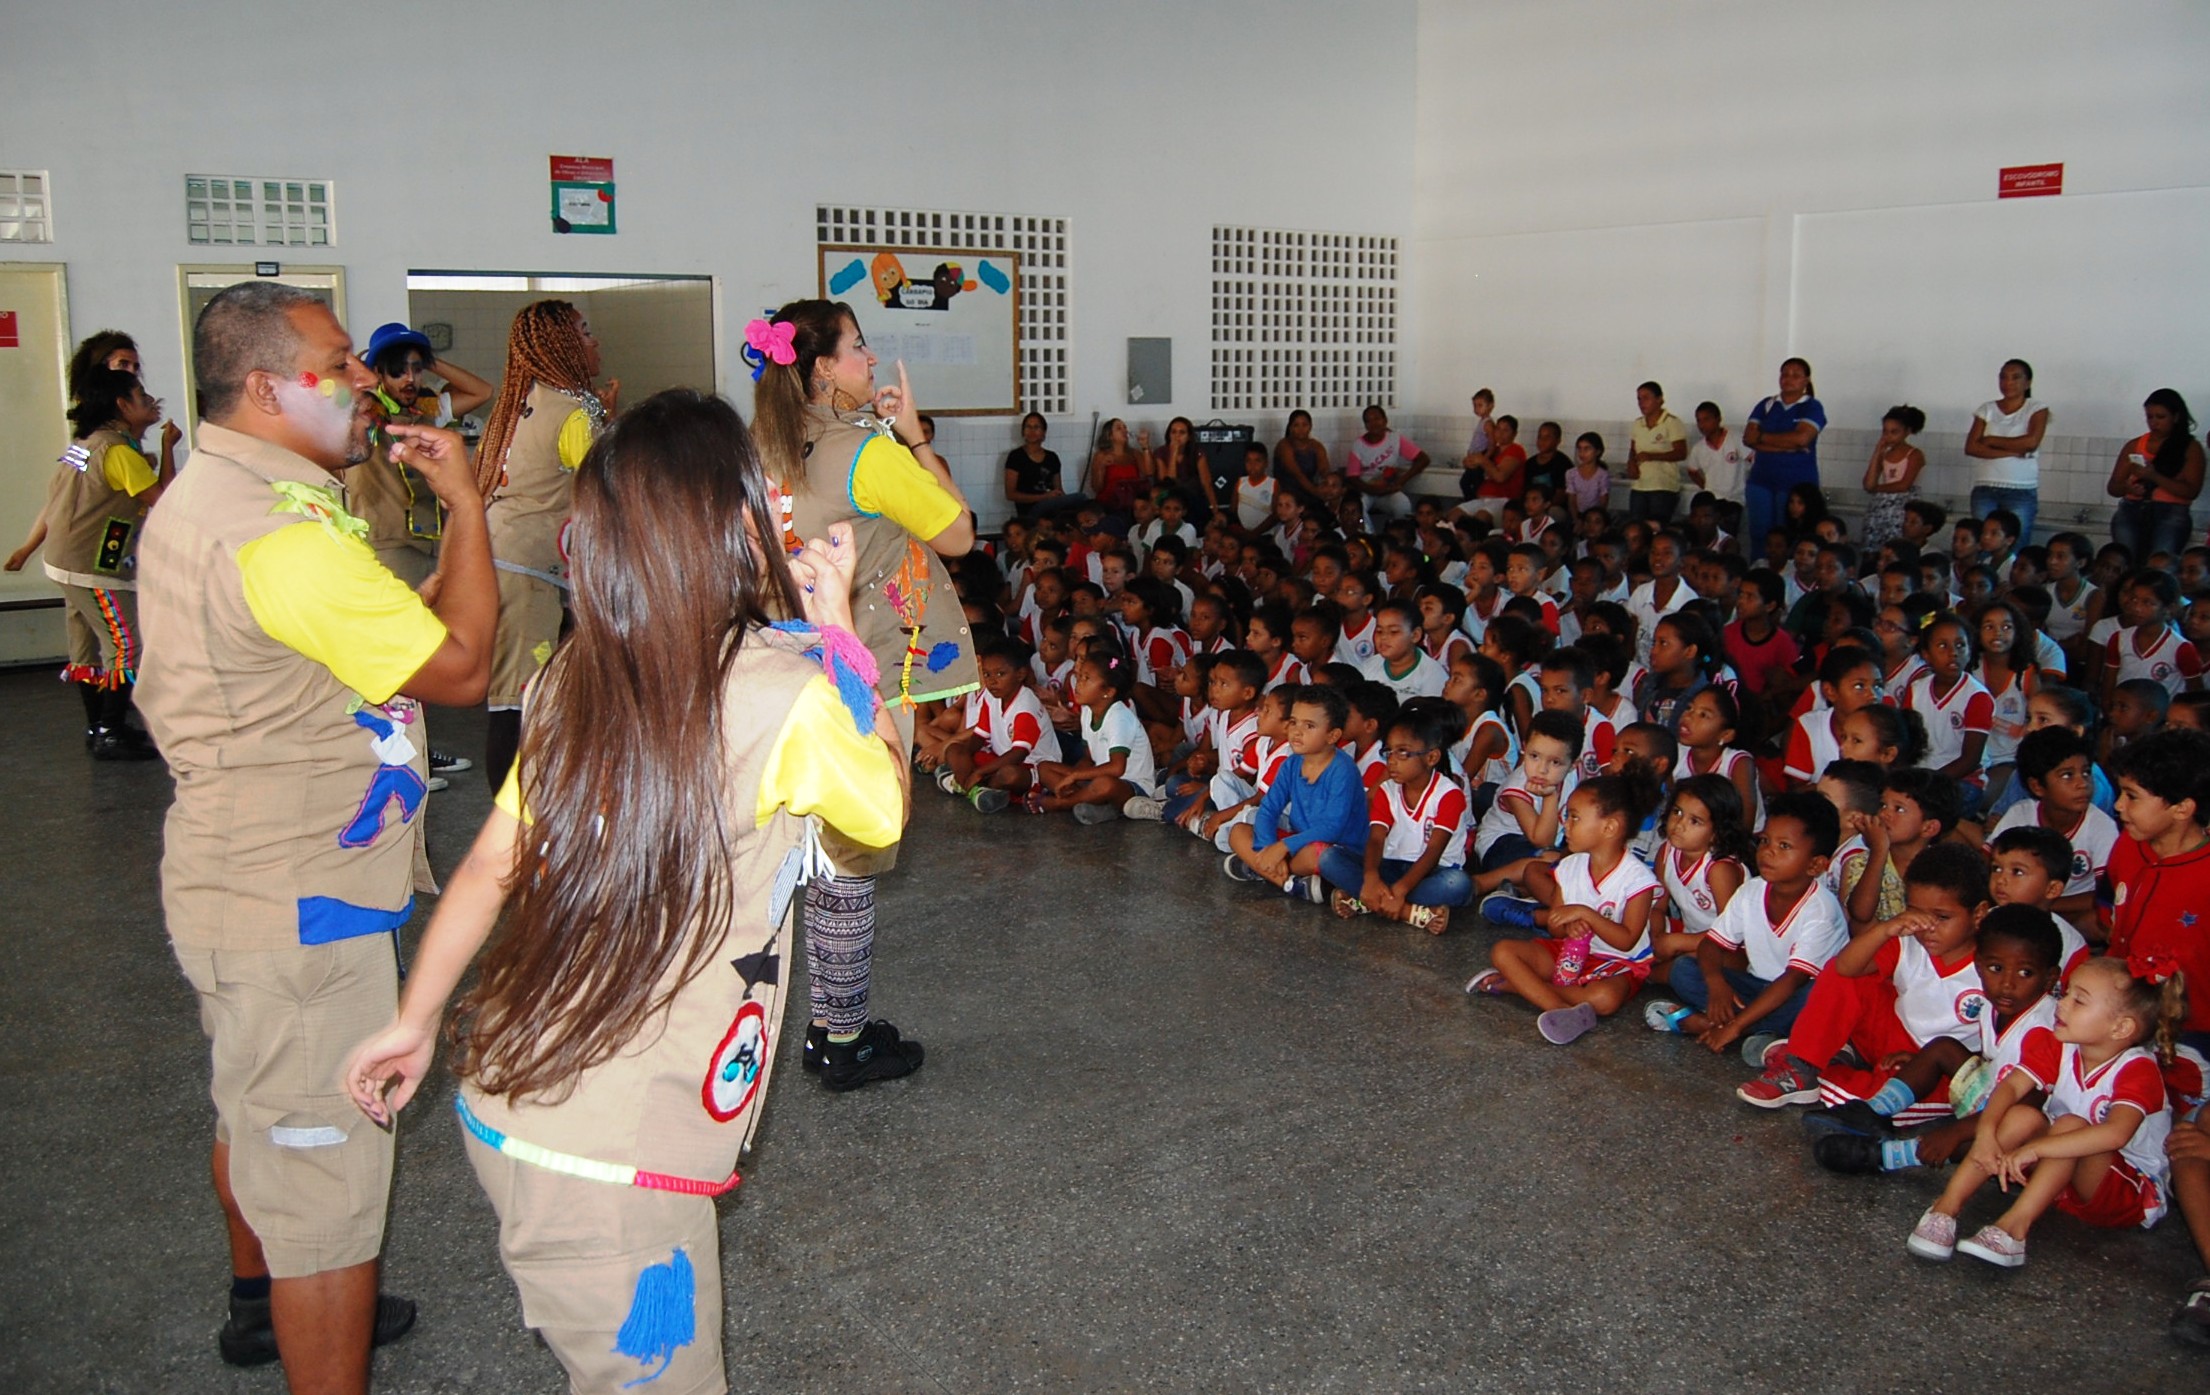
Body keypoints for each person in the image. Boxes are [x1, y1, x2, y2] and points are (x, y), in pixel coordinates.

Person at [341, 389, 905, 1393]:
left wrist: (414, 1019)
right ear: (734, 523)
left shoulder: (574, 673)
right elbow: (883, 813)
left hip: (515, 1093)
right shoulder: (787, 696)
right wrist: (841, 635)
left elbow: (487, 866)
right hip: (618, 1167)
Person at [135, 281, 498, 1389]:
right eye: (336, 363)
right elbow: (459, 669)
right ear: (264, 387)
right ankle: (303, 1294)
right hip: (294, 904)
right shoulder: (273, 534)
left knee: (259, 1105)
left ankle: (264, 1300)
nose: (362, 382)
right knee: (328, 1180)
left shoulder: (229, 498)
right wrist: (471, 510)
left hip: (243, 876)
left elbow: (377, 634)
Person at [753, 297, 977, 1088]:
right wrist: (914, 434)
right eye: (859, 347)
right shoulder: (867, 453)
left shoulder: (762, 448)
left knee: (801, 846)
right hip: (868, 663)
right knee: (852, 845)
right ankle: (841, 1038)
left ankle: (813, 1023)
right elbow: (959, 531)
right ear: (822, 367)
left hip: (783, 657)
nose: (871, 360)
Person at [1907, 954, 2185, 1267]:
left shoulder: (2138, 1070)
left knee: (2070, 1124)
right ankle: (1945, 1209)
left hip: (2127, 1192)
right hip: (2062, 1169)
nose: (2061, 1005)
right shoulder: (2060, 1042)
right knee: (2023, 1116)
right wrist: (1986, 1134)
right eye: (2066, 993)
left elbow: (2115, 1133)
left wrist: (2036, 1149)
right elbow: (2011, 1088)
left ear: (2121, 1028)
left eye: (2078, 1001)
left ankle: (2013, 1229)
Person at [476, 299, 614, 791]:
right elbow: (607, 488)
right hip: (528, 568)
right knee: (516, 699)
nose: (594, 340)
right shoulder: (572, 412)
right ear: (563, 344)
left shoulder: (516, 402)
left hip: (496, 557)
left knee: (517, 691)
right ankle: (513, 820)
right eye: (585, 331)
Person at [8, 365, 176, 758]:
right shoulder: (117, 452)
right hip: (91, 564)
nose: (150, 402)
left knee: (91, 646)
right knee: (125, 643)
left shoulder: (85, 444)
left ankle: (99, 725)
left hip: (66, 560)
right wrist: (169, 449)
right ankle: (110, 731)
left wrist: (28, 548)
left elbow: (56, 500)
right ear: (121, 404)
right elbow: (164, 502)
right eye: (141, 395)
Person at [1467, 772, 1664, 1045]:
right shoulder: (1570, 867)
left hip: (1618, 962)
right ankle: (1560, 1010)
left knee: (1604, 999)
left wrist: (1586, 915)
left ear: (1609, 828)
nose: (1565, 824)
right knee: (1503, 951)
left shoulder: (1637, 879)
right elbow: (1555, 926)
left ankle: (1517, 986)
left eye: (1574, 817)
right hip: (1571, 952)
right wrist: (1569, 926)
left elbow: (1628, 938)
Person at [1643, 791, 1846, 1052]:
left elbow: (1793, 980)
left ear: (1815, 865)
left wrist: (1735, 1025)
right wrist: (1716, 983)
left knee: (1816, 999)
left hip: (1794, 993)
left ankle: (1723, 1026)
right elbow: (1711, 945)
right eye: (1765, 841)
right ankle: (1761, 1033)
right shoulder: (1752, 891)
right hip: (1755, 988)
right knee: (1685, 969)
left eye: (1784, 846)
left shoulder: (1821, 911)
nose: (1768, 852)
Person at [353, 322, 495, 589]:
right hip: (389, 542)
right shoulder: (362, 411)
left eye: (416, 370)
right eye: (398, 371)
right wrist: (367, 363)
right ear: (378, 374)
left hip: (435, 543)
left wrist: (428, 359)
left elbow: (482, 391)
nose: (410, 379)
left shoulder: (427, 408)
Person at [1321, 702, 1474, 931]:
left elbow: (1433, 852)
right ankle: (1411, 913)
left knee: (1458, 884)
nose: (1392, 760)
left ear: (1431, 758)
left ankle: (1368, 902)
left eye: (1403, 752)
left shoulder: (1449, 795)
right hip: (1391, 864)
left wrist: (1400, 890)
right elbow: (1376, 839)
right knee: (1328, 858)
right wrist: (1372, 877)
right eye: (1388, 751)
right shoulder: (1387, 790)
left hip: (1433, 870)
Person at [1223, 683, 1368, 901]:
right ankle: (1292, 884)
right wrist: (1266, 846)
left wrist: (1281, 848)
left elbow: (1331, 829)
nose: (1297, 731)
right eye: (1293, 722)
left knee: (1320, 855)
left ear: (1332, 735)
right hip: (1298, 843)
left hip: (1336, 849)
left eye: (1309, 726)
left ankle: (1261, 869)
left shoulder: (1343, 770)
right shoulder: (1291, 764)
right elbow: (1269, 808)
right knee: (1238, 832)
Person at [2108, 389, 2205, 562]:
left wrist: (2154, 476)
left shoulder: (2190, 447)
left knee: (2159, 565)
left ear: (2175, 417)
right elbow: (2113, 487)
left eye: (2160, 417)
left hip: (2171, 513)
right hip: (2132, 509)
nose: (2154, 423)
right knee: (2125, 562)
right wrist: (2127, 488)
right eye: (2149, 417)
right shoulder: (2135, 445)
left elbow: (2191, 490)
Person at [1741, 358, 1826, 555]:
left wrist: (1763, 438)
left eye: (1795, 376)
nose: (1788, 379)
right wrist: (1787, 447)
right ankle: (1759, 573)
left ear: (1806, 380)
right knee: (1759, 534)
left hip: (1795, 483)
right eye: (1785, 374)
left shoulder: (1812, 407)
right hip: (1761, 480)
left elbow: (1802, 439)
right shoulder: (1766, 405)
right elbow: (1749, 438)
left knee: (1790, 536)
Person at [1965, 359, 2051, 546]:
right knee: (1983, 544)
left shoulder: (2037, 409)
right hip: (1985, 488)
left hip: (2020, 489)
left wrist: (1991, 441)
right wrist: (2012, 451)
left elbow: (2031, 442)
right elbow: (1971, 447)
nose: (2008, 382)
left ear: (2027, 383)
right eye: (2003, 377)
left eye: (2015, 377)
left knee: (2017, 546)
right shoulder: (1986, 409)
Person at [1860, 406, 1926, 548]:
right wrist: (1877, 452)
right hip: (1881, 508)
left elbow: (1904, 485)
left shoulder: (1915, 454)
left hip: (1903, 509)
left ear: (1907, 432)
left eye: (1894, 432)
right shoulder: (1884, 454)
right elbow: (1868, 484)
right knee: (1873, 547)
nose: (1888, 436)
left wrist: (1877, 488)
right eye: (1885, 431)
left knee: (1897, 547)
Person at [1625, 382, 1687, 523]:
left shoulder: (1672, 422)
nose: (1641, 403)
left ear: (1659, 399)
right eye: (1639, 399)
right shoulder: (1637, 423)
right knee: (1636, 527)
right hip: (1639, 486)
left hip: (1662, 486)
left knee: (1657, 529)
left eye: (1646, 398)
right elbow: (1633, 449)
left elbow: (1681, 453)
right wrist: (1631, 464)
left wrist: (1652, 456)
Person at [1003, 411, 1073, 517]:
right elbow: (1010, 494)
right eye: (1028, 427)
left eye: (1036, 427)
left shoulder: (1052, 457)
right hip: (1029, 510)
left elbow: (1058, 489)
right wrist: (1044, 497)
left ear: (1044, 432)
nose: (1032, 431)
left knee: (1081, 499)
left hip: (1051, 507)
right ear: (1023, 432)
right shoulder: (1016, 457)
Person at [1085, 418, 1149, 521]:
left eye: (1125, 427)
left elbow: (1149, 472)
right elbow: (1097, 488)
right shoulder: (1101, 455)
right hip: (1109, 503)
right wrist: (1101, 467)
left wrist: (1145, 447)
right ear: (1110, 436)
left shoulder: (1134, 454)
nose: (1124, 430)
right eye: (1119, 428)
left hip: (1131, 502)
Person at [1273, 408, 1331, 508]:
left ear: (1310, 426)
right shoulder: (1284, 445)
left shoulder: (1316, 446)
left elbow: (1324, 470)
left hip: (1310, 490)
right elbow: (1297, 474)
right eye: (1296, 425)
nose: (1301, 429)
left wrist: (1327, 487)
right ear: (1290, 427)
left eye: (1304, 425)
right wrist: (1316, 492)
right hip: (1287, 492)